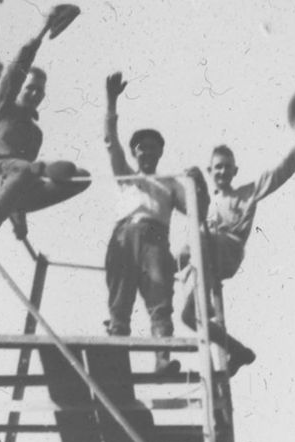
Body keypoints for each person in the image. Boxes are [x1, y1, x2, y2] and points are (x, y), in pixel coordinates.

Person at [180, 133, 295, 374]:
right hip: (206, 259)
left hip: (229, 249)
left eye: (227, 168)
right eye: (217, 167)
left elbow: (276, 175)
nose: (222, 172)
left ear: (235, 171)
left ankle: (204, 298)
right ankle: (238, 351)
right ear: (211, 170)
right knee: (188, 316)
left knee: (199, 238)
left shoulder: (245, 194)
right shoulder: (207, 205)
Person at [0, 6, 90, 242]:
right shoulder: (4, 107)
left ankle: (46, 173)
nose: (35, 93)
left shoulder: (35, 134)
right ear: (18, 91)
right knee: (30, 169)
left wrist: (19, 220)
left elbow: (22, 178)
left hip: (18, 182)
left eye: (40, 90)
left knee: (81, 176)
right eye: (30, 88)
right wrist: (43, 30)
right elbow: (17, 69)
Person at [103, 72, 191, 378]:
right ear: (135, 152)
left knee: (160, 298)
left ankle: (162, 359)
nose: (148, 152)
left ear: (161, 152)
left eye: (153, 147)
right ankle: (115, 362)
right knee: (119, 301)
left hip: (155, 240)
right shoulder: (126, 176)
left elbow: (196, 210)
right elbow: (111, 143)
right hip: (125, 237)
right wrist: (112, 101)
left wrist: (198, 185)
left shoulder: (169, 184)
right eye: (142, 147)